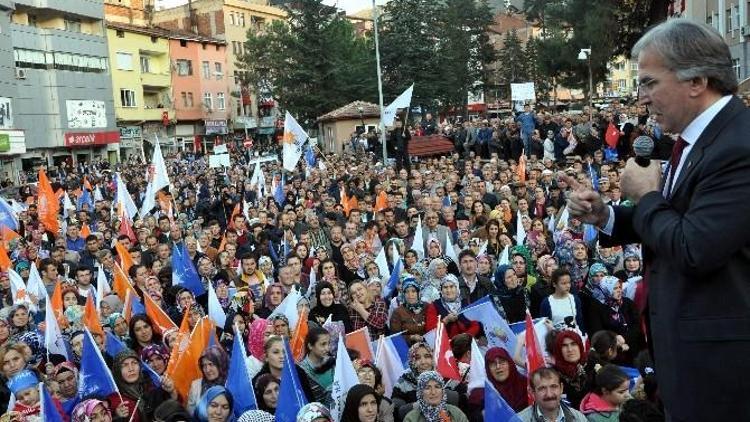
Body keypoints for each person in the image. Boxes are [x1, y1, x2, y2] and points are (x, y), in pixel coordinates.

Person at [565, 19, 750, 420]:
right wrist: (607, 215)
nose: (641, 98)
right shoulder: (699, 140)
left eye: (649, 82)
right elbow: (678, 220)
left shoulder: (739, 146)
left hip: (723, 371)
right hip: (690, 359)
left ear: (696, 80)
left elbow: (693, 246)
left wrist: (647, 195)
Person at [467, 347, 527, 417]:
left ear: (509, 364)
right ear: (488, 369)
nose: (498, 366)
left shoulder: (525, 384)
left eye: (502, 362)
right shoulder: (481, 394)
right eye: (493, 363)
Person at [517, 367, 588, 422]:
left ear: (561, 388)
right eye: (542, 388)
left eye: (553, 387)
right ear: (532, 392)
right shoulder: (520, 420)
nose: (549, 394)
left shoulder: (578, 418)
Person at [403, 371, 468, 422]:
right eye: (427, 388)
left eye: (437, 387)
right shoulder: (411, 418)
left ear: (443, 391)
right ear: (421, 393)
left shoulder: (456, 413)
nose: (433, 392)